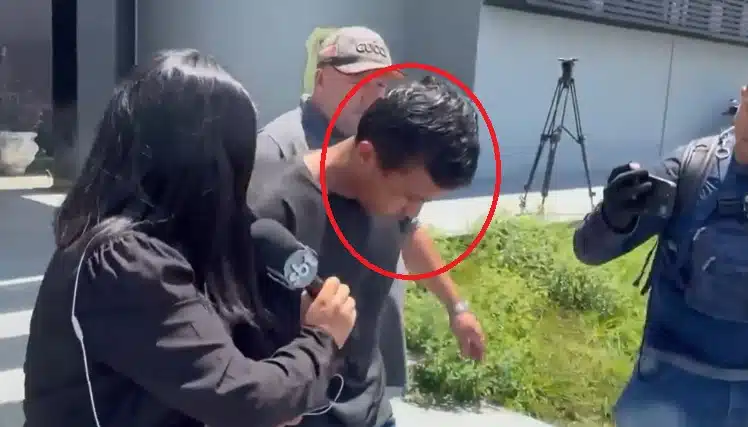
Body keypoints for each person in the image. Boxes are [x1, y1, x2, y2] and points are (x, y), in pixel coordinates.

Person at [23, 49, 358, 427]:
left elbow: (236, 382)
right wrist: (322, 337)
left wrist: (287, 365)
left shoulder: (165, 249)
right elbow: (242, 399)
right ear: (209, 163)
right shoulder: (124, 260)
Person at [253, 25, 485, 394]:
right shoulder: (276, 160)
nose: (371, 94)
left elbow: (410, 233)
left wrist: (457, 307)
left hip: (367, 389)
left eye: (380, 84)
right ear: (321, 78)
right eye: (358, 81)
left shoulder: (396, 163)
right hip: (303, 397)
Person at [573, 50, 748, 427]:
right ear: (742, 96)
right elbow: (588, 252)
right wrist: (613, 217)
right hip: (671, 384)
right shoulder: (692, 167)